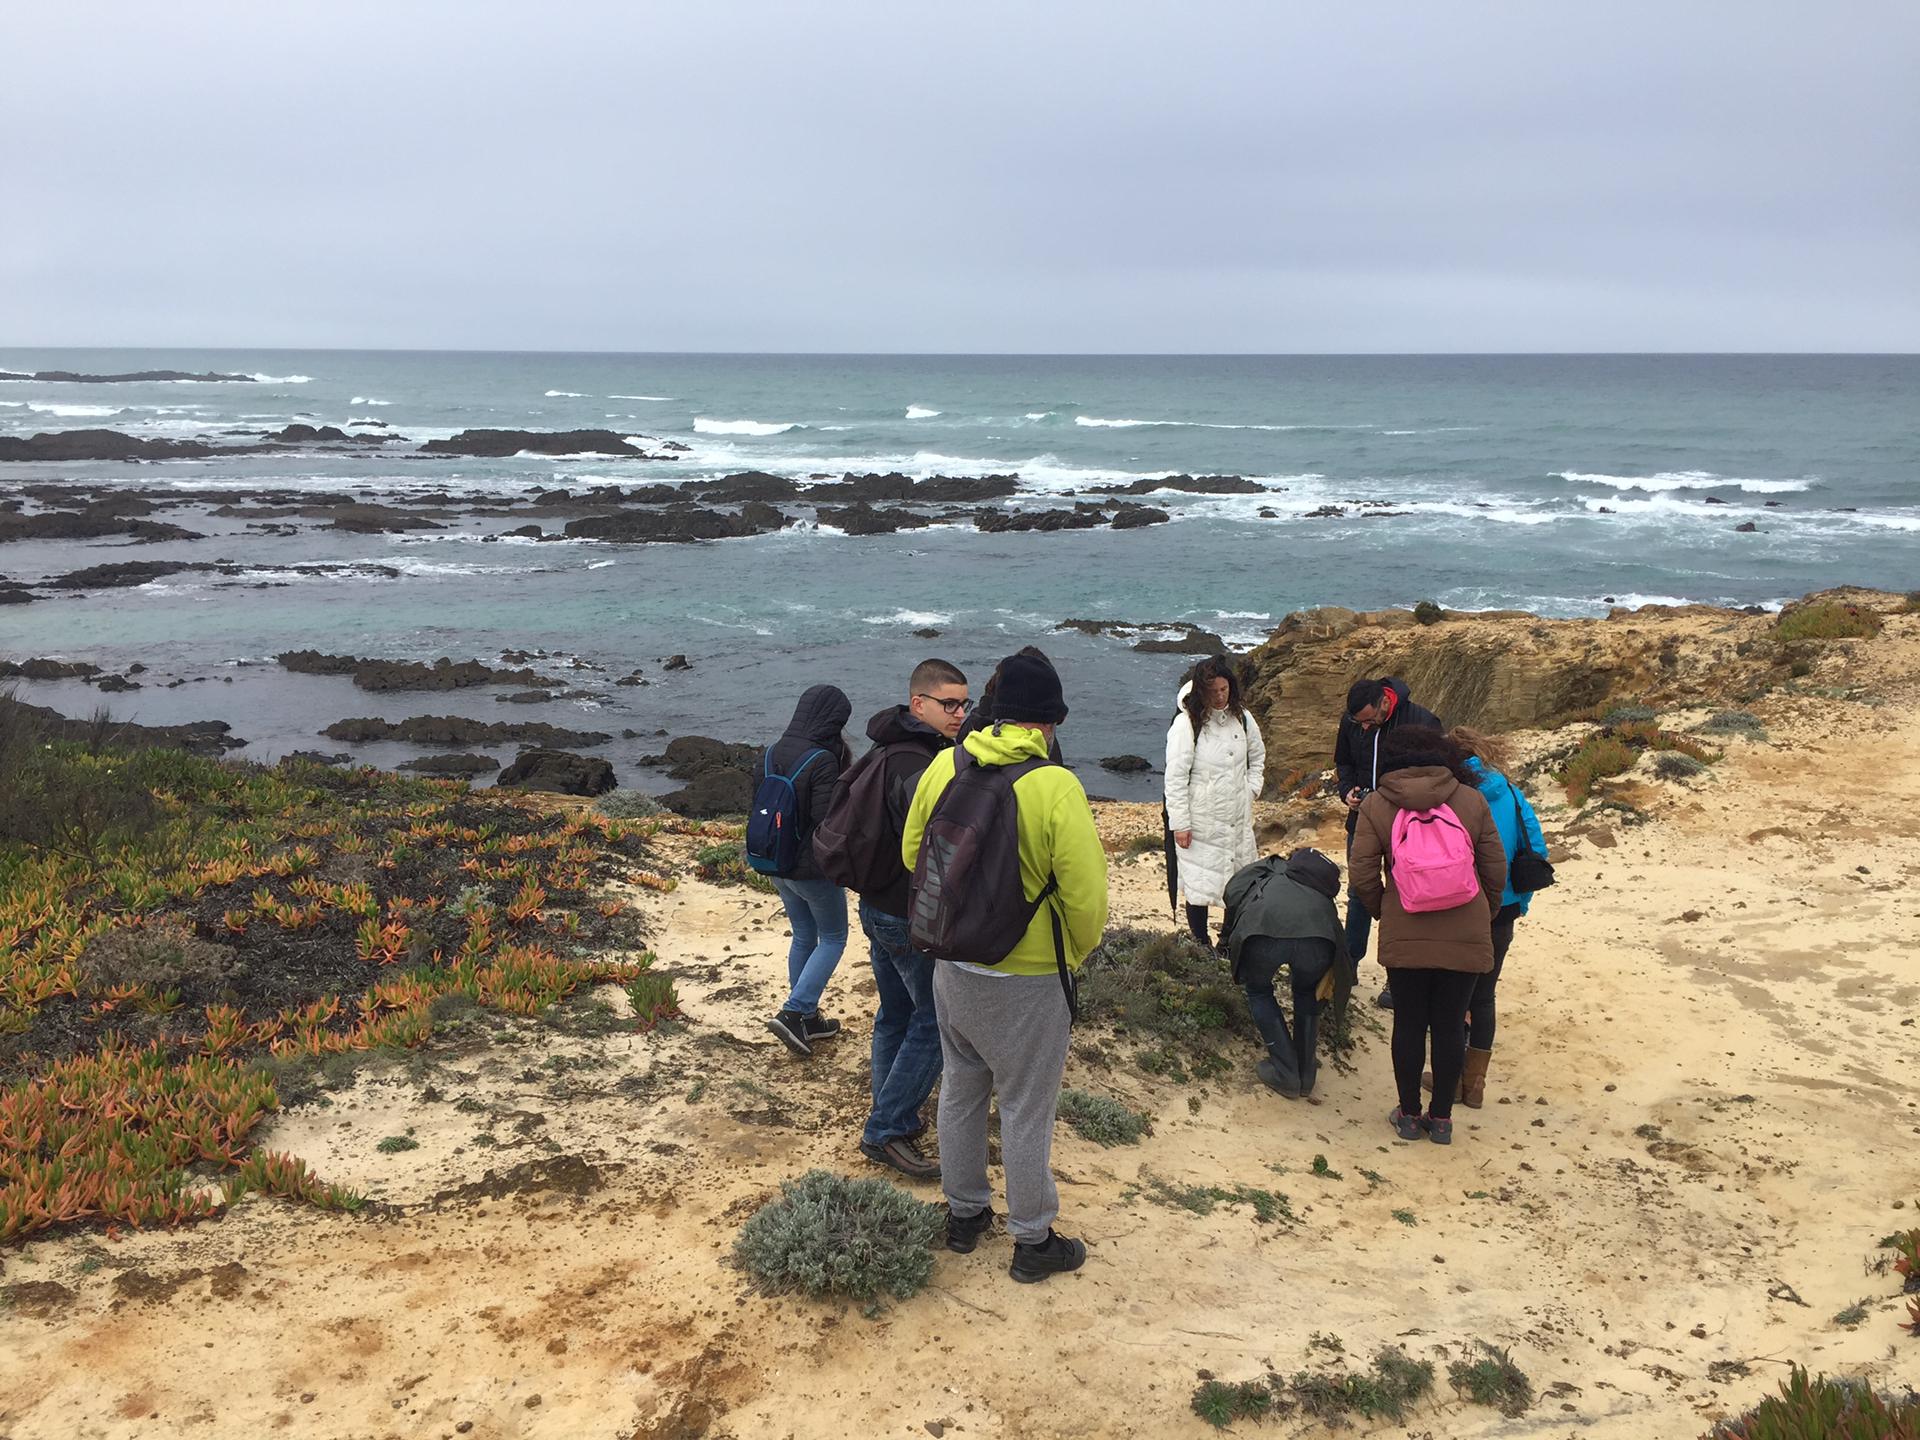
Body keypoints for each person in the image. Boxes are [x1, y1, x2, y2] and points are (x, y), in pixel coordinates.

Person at [901, 653, 1108, 1283]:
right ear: (1047, 724)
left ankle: (965, 1215)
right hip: (1029, 975)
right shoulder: (1054, 785)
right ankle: (1032, 1239)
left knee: (961, 1088)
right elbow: (1086, 898)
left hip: (953, 964)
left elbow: (913, 854)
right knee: (1025, 1106)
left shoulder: (946, 765)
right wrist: (1072, 953)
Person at [1348, 726, 1506, 1145]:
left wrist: (1385, 909)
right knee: (1451, 1024)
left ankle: (1408, 1114)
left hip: (1406, 930)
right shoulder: (1470, 799)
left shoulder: (1376, 805)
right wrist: (1484, 912)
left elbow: (1362, 872)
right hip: (1465, 927)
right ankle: (1441, 1120)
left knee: (1409, 1023)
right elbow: (1495, 867)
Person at [847, 659, 970, 1180]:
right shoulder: (919, 764)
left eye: (965, 703)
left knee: (895, 1013)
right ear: (918, 703)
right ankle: (887, 1127)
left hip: (875, 904)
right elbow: (933, 844)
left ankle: (890, 1108)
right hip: (905, 913)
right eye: (949, 704)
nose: (960, 714)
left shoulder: (886, 748)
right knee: (937, 1022)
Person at [1447, 726, 1548, 1109]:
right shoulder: (1510, 791)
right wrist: (1520, 903)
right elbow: (1535, 848)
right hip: (1503, 909)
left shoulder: (1452, 794)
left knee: (1453, 996)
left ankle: (1449, 1079)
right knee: (1484, 996)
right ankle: (1474, 1085)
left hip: (1460, 907)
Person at [1334, 677, 1442, 1009]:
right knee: (1359, 891)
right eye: (1359, 723)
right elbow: (1344, 762)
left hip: (1408, 824)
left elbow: (1438, 773)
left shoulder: (1421, 721)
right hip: (1362, 821)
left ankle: (1398, 977)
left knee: (1405, 896)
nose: (1365, 727)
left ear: (1384, 701)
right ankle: (1349, 965)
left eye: (1369, 720)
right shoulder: (1352, 722)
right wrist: (1347, 791)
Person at [758, 684, 854, 1057]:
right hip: (811, 870)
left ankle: (808, 1018)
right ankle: (795, 1011)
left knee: (803, 936)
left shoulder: (771, 752)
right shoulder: (823, 759)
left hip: (775, 862)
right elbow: (825, 818)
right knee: (834, 937)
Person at [1222, 847, 1344, 1099]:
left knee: (1259, 991)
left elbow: (1232, 894)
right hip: (1319, 938)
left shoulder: (1261, 870)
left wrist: (1225, 939)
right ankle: (1306, 1074)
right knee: (1307, 992)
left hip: (1262, 929)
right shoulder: (1319, 887)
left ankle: (1285, 1072)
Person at [1165, 657, 1266, 950]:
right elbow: (1175, 778)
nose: (1220, 696)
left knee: (1238, 883)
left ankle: (1227, 941)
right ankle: (1200, 944)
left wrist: (1252, 789)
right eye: (1213, 691)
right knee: (1199, 885)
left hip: (1237, 819)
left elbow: (1258, 756)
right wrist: (1180, 824)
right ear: (1201, 691)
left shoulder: (1243, 718)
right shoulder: (1187, 724)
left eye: (1224, 689)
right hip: (1201, 822)